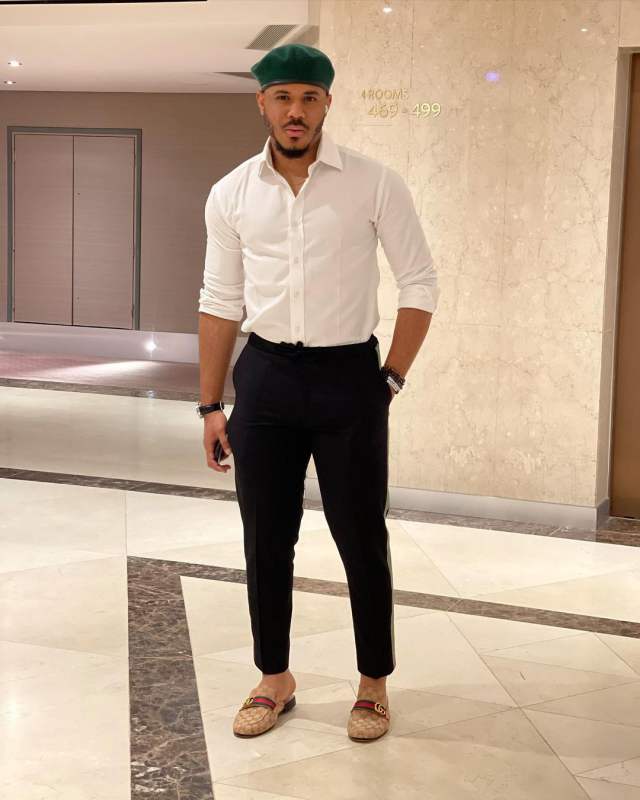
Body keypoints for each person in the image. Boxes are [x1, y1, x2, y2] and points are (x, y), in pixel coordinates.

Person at [196, 43, 439, 742]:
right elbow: (219, 301)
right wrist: (211, 406)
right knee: (266, 539)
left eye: (308, 97)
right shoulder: (232, 193)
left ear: (328, 103)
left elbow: (420, 282)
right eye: (283, 97)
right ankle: (274, 678)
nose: (295, 111)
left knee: (361, 537)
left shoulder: (374, 182)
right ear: (262, 103)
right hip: (266, 378)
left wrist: (390, 376)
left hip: (349, 378)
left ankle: (373, 683)